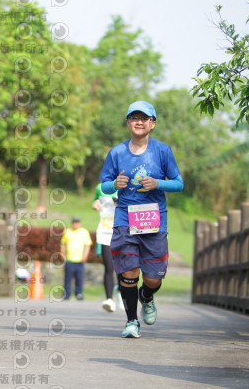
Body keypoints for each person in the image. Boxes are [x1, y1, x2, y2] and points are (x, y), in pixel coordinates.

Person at [99, 100, 183, 338]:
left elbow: (178, 183)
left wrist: (158, 183)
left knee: (153, 278)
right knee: (128, 272)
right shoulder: (116, 152)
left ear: (152, 123)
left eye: (144, 118)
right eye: (134, 118)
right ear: (128, 122)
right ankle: (131, 321)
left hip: (154, 219)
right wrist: (114, 184)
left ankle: (146, 296)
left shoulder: (162, 151)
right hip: (125, 217)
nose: (138, 122)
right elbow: (104, 186)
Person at [92, 182, 119, 312]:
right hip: (105, 233)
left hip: (122, 233)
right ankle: (109, 299)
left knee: (123, 267)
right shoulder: (100, 187)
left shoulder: (128, 184)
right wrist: (95, 203)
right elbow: (96, 199)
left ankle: (121, 291)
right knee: (109, 267)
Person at [60, 217, 92, 300]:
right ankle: (67, 293)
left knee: (79, 278)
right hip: (69, 259)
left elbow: (87, 245)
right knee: (67, 278)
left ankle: (79, 293)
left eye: (77, 222)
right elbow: (63, 243)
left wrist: (85, 256)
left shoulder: (84, 232)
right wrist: (63, 254)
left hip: (79, 259)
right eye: (74, 222)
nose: (75, 224)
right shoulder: (68, 231)